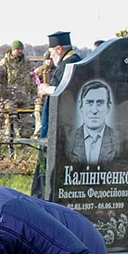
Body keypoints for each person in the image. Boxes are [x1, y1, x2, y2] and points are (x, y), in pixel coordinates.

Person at [32, 32, 81, 197]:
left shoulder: (71, 63)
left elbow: (68, 91)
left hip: (58, 124)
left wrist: (46, 89)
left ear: (59, 49)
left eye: (51, 52)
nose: (50, 57)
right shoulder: (69, 63)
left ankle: (42, 194)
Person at [64, 79, 120, 164]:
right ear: (81, 106)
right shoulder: (68, 140)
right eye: (89, 103)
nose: (94, 110)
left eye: (100, 103)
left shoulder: (119, 140)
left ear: (108, 107)